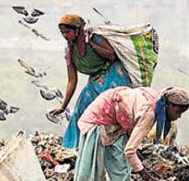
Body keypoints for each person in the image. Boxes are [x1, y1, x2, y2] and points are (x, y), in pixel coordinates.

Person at [70, 86, 189, 181]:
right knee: (90, 175)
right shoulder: (150, 113)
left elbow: (131, 113)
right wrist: (148, 179)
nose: (178, 117)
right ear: (168, 105)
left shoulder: (158, 100)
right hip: (99, 118)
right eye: (178, 112)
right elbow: (130, 151)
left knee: (121, 169)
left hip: (117, 125)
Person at [50, 14, 133, 149]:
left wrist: (91, 45)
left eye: (68, 32)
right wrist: (63, 106)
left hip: (114, 75)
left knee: (111, 111)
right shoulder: (70, 51)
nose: (65, 36)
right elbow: (72, 80)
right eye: (62, 33)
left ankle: (117, 147)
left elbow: (111, 55)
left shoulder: (94, 38)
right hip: (95, 79)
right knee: (80, 111)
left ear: (77, 30)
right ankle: (74, 147)